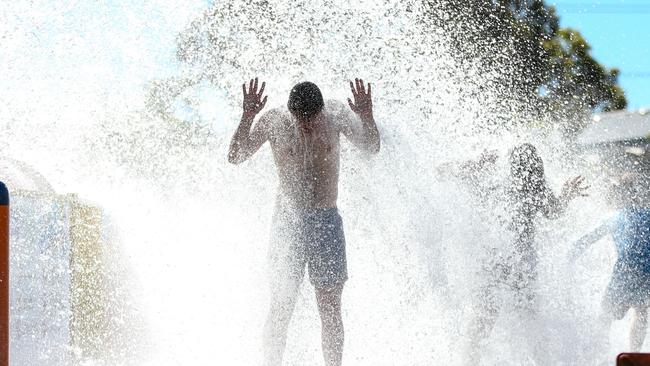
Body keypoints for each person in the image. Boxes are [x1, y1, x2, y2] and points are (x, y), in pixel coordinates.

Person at [228, 78, 380, 366]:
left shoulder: (335, 115)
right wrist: (247, 117)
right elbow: (236, 156)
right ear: (291, 113)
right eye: (301, 121)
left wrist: (366, 115)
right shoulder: (274, 121)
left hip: (326, 220)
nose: (307, 127)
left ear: (322, 110)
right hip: (289, 222)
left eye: (313, 119)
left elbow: (371, 146)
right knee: (281, 306)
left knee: (330, 307)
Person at [465, 143, 588, 364]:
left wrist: (476, 166)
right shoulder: (535, 187)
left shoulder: (498, 183)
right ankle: (539, 361)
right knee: (528, 317)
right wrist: (567, 195)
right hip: (521, 260)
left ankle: (469, 359)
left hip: (496, 257)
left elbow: (451, 175)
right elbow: (553, 212)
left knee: (485, 316)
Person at [570, 173, 650, 352]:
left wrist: (569, 257)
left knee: (605, 315)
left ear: (618, 196)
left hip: (626, 271)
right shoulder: (648, 214)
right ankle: (634, 354)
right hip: (648, 272)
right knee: (641, 309)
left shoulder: (615, 217)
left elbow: (586, 239)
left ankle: (597, 353)